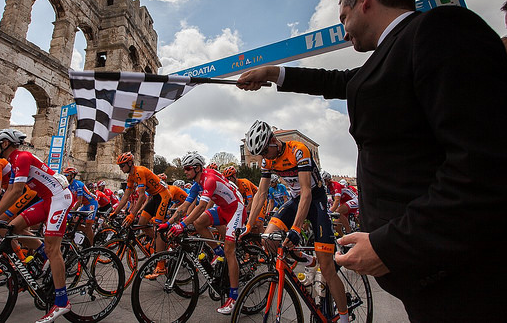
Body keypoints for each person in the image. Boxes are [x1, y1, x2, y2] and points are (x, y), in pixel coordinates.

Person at [237, 0, 507, 321]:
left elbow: (485, 164)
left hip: (460, 276)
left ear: (363, 0)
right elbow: (339, 81)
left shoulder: (439, 28)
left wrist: (391, 245)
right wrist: (274, 73)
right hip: (425, 277)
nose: (343, 29)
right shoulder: (390, 55)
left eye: (343, 17)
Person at [241, 121, 349, 322]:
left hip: (316, 200)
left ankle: (344, 317)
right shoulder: (267, 160)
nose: (264, 157)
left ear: (273, 141)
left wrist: (296, 229)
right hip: (295, 199)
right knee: (268, 239)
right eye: (260, 154)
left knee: (327, 268)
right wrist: (248, 225)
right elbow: (261, 193)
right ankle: (308, 260)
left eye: (265, 151)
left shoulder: (298, 150)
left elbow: (306, 192)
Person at [0, 129, 73, 322]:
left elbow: (17, 191)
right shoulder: (13, 162)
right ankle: (45, 259)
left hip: (59, 198)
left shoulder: (22, 157)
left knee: (54, 248)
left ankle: (62, 302)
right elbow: (10, 191)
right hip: (47, 200)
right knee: (11, 227)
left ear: (5, 144)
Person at [166, 152, 245, 315]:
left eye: (187, 168)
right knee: (199, 222)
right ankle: (218, 253)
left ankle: (234, 297)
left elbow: (201, 206)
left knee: (230, 250)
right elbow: (185, 205)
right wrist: (168, 223)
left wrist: (182, 225)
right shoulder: (196, 183)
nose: (185, 172)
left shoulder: (209, 179)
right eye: (184, 169)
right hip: (223, 209)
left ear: (197, 168)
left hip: (236, 208)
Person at [110, 152, 171, 278]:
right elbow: (126, 196)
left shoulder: (139, 171)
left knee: (159, 229)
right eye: (120, 166)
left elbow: (142, 196)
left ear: (130, 163)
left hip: (163, 196)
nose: (121, 169)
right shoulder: (130, 177)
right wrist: (114, 212)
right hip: (154, 197)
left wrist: (132, 214)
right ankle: (159, 243)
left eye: (122, 166)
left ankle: (161, 266)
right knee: (141, 223)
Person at [64, 167, 98, 245]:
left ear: (72, 176)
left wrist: (71, 211)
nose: (65, 177)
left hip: (91, 203)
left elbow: (79, 202)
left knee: (88, 226)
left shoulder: (78, 184)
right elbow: (70, 200)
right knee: (74, 223)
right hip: (85, 205)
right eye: (64, 175)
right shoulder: (69, 186)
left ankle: (91, 246)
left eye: (67, 175)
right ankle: (83, 234)